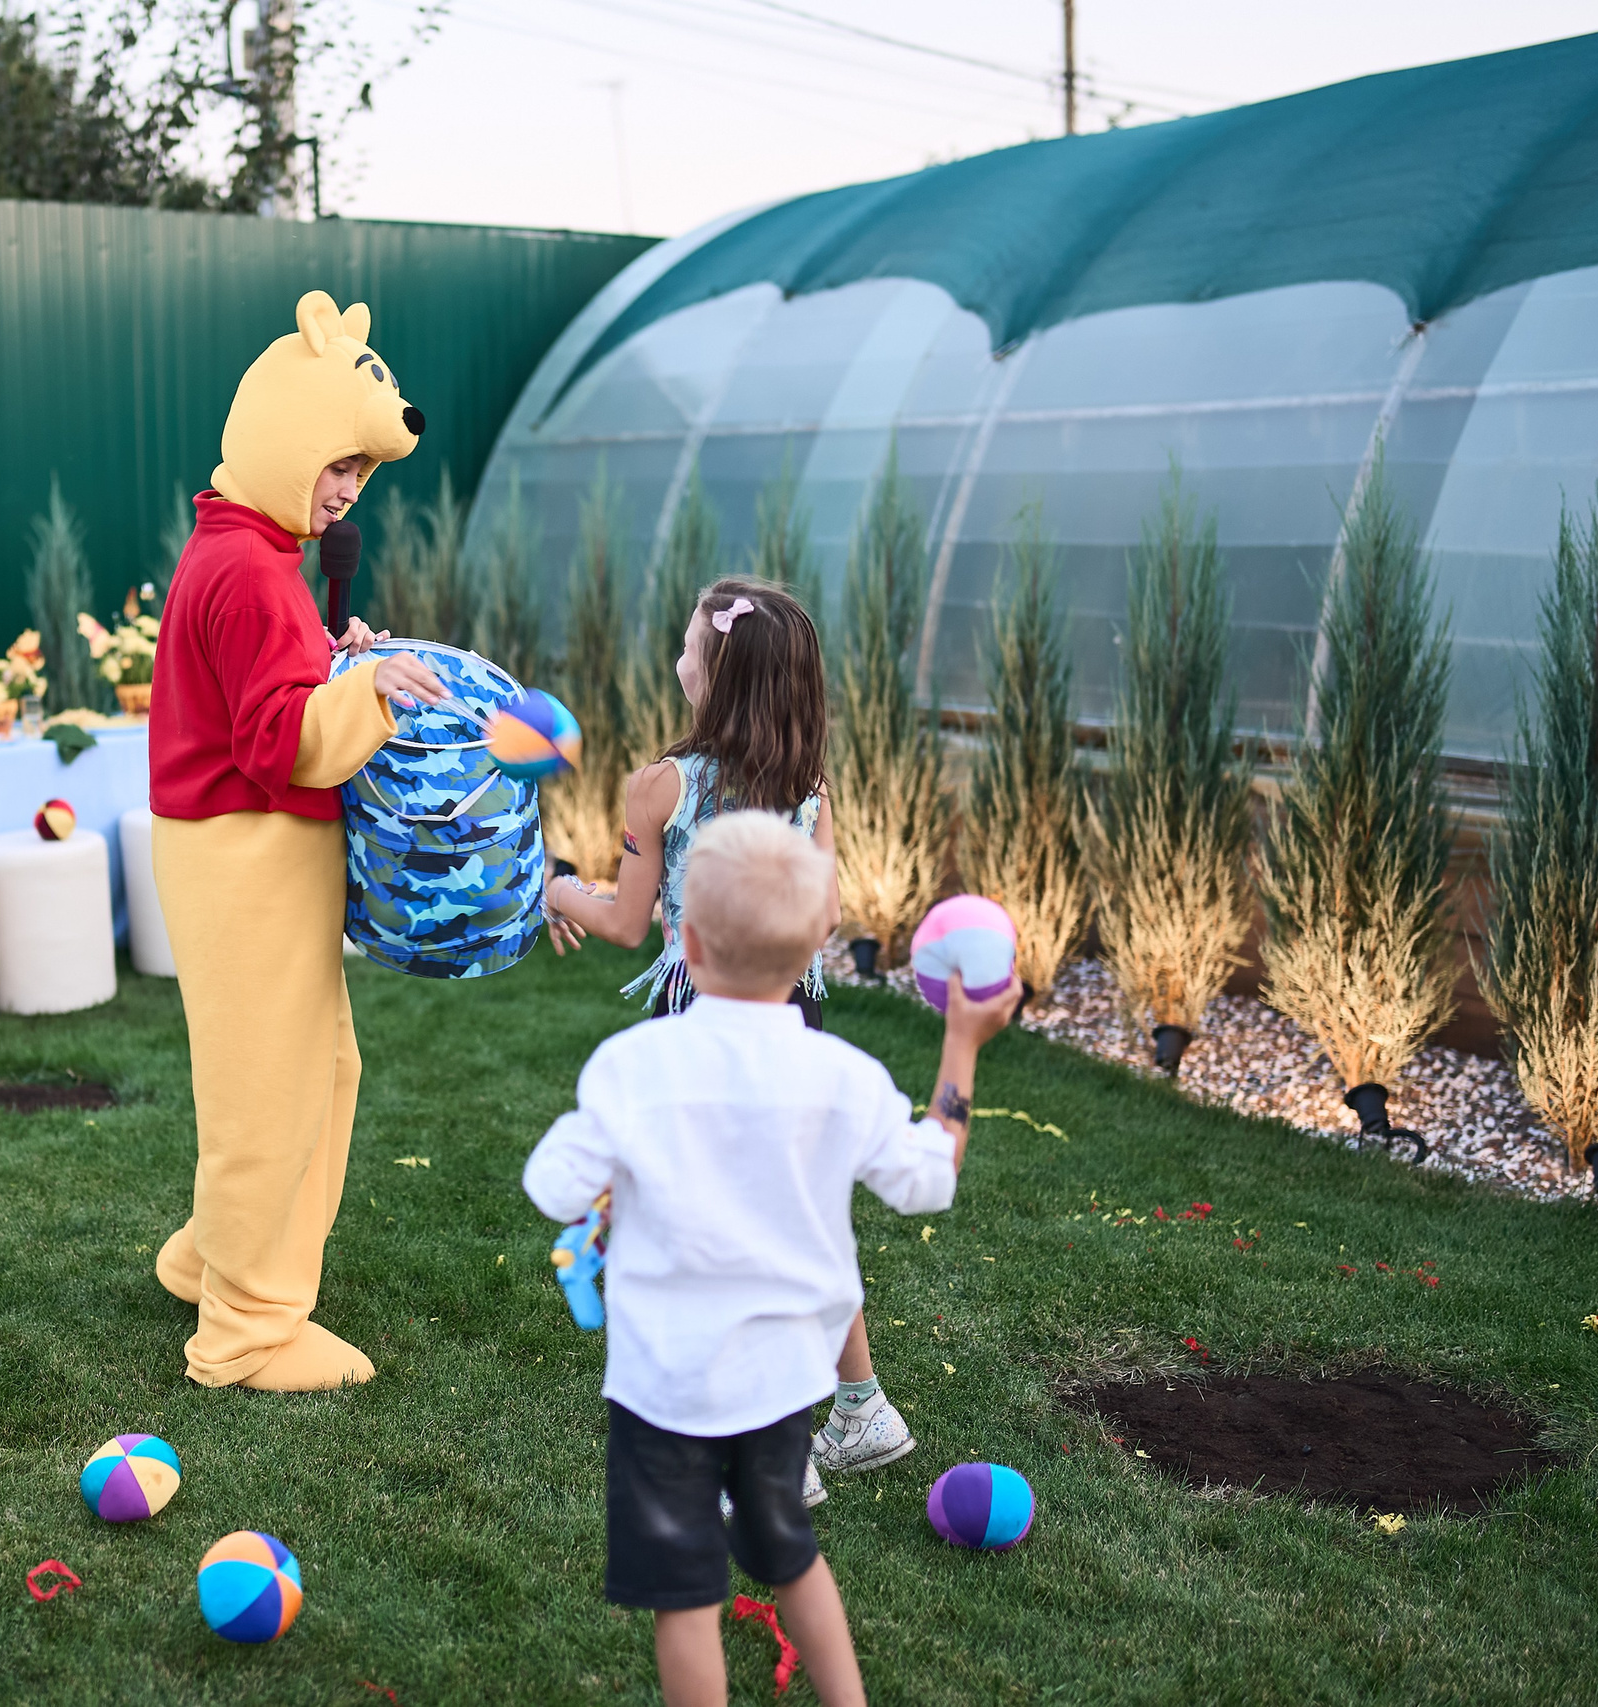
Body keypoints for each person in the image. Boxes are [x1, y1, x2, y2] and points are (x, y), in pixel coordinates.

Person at [525, 811, 1021, 1707]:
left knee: (684, 1598)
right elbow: (927, 1180)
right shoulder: (845, 1077)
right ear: (816, 947)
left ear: (685, 939)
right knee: (790, 1554)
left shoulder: (630, 1067)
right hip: (788, 1383)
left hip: (663, 1387)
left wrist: (602, 1181)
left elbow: (552, 1184)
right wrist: (961, 1043)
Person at [145, 289, 451, 1392]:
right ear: (282, 443)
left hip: (246, 851)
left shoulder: (251, 547)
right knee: (269, 1091)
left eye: (358, 477)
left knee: (313, 1067)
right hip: (243, 851)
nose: (344, 492)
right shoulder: (247, 569)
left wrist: (334, 653)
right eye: (335, 467)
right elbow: (277, 741)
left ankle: (212, 1256)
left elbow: (269, 684)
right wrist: (362, 689)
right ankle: (245, 1329)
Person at [542, 577, 907, 1493]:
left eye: (690, 648)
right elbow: (819, 916)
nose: (679, 658)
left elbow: (626, 924)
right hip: (795, 1016)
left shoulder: (659, 787)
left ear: (720, 676)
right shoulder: (809, 790)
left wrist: (554, 890)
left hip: (700, 1022)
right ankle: (861, 1407)